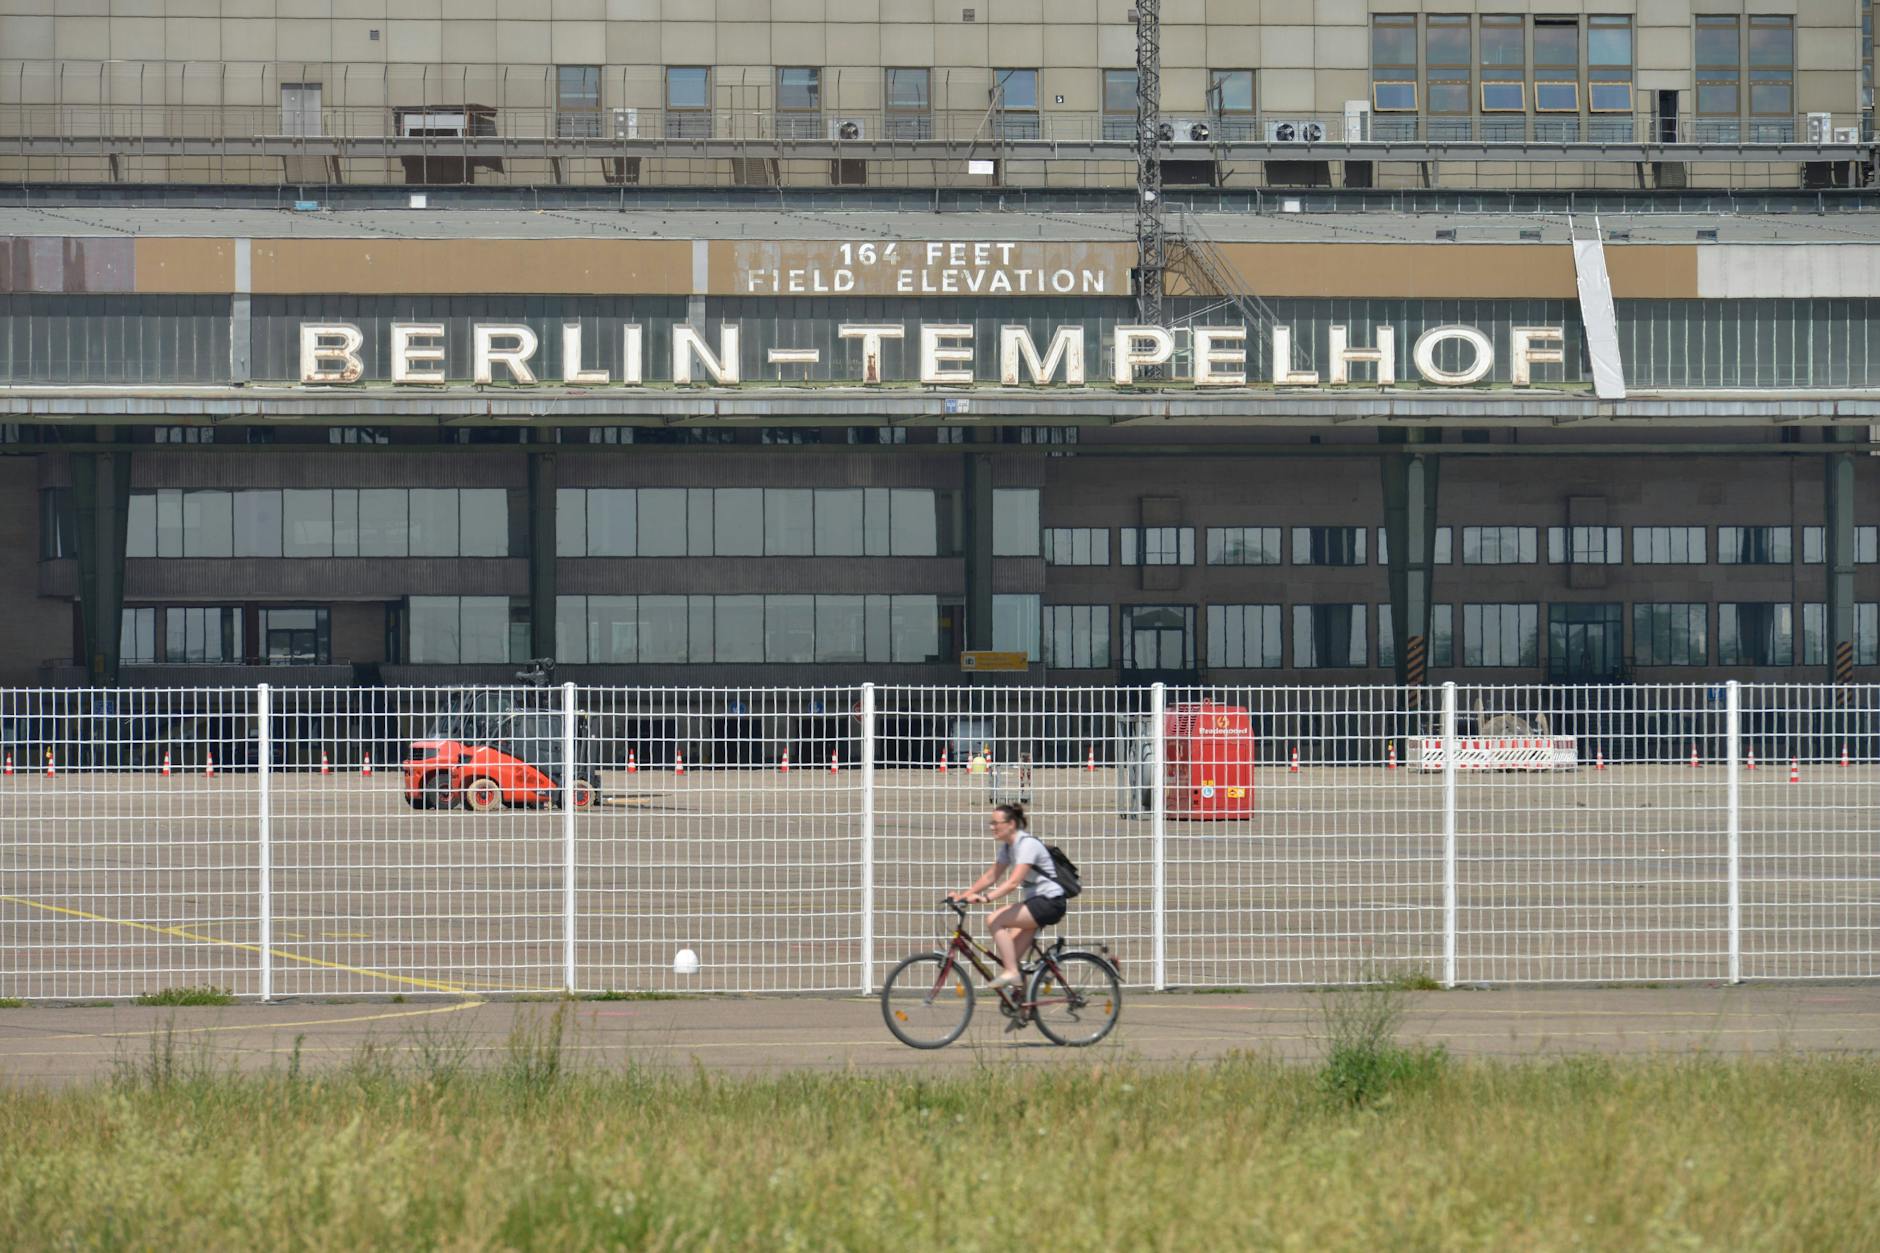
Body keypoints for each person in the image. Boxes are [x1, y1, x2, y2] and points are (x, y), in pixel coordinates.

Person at [949, 801, 1068, 993]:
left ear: (1011, 824)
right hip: (1036, 903)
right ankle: (1024, 1005)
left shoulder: (1027, 845)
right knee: (1010, 952)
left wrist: (986, 898)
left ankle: (1012, 972)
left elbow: (1013, 882)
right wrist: (963, 896)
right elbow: (991, 876)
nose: (992, 827)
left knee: (994, 919)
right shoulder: (1007, 847)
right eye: (991, 823)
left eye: (996, 823)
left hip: (1049, 902)